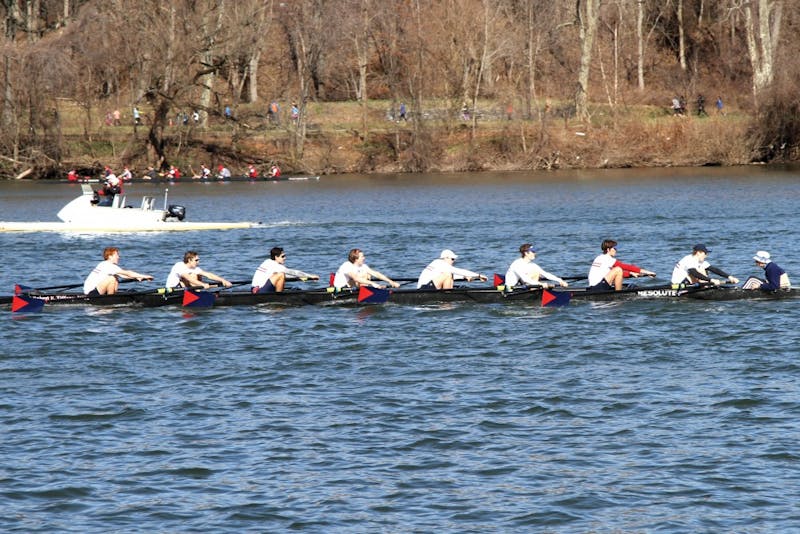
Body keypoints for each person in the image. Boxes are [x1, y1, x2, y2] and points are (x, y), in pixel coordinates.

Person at [588, 239, 656, 291]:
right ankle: (618, 294)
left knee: (618, 270)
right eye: (614, 248)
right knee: (618, 269)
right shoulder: (607, 258)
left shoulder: (599, 257)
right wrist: (647, 272)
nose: (616, 250)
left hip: (594, 287)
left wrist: (630, 273)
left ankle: (617, 292)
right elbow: (625, 267)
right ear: (608, 249)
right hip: (598, 288)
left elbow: (612, 272)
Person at [83, 247, 153, 295]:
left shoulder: (106, 265)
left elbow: (123, 276)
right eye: (116, 255)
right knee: (112, 278)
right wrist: (144, 275)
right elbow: (128, 273)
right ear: (110, 256)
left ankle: (111, 297)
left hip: (96, 290)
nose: (118, 257)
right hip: (91, 293)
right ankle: (110, 300)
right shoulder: (107, 265)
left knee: (115, 277)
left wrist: (137, 277)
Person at [251, 247, 319, 293]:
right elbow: (294, 272)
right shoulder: (275, 266)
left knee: (279, 275)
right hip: (259, 291)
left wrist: (302, 278)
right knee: (281, 275)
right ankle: (279, 296)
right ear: (276, 257)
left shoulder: (267, 261)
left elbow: (289, 276)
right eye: (282, 256)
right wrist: (310, 276)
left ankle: (278, 293)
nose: (285, 258)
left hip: (255, 289)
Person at [671, 244, 738, 286]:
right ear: (698, 253)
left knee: (704, 269)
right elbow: (695, 273)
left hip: (688, 282)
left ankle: (706, 286)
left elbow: (714, 269)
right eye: (705, 253)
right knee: (700, 270)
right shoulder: (689, 259)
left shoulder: (700, 261)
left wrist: (730, 277)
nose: (706, 256)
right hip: (678, 284)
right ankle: (706, 287)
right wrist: (711, 280)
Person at [417, 249, 487, 289]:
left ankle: (447, 294)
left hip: (424, 288)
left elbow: (454, 275)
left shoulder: (436, 263)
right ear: (446, 258)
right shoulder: (441, 263)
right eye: (452, 259)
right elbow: (459, 271)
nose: (453, 261)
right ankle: (448, 296)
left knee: (449, 274)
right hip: (424, 289)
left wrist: (465, 276)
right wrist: (478, 275)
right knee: (448, 274)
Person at [333, 248, 400, 290]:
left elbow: (376, 274)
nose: (364, 258)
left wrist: (390, 281)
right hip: (341, 289)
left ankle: (369, 289)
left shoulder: (363, 266)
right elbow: (356, 278)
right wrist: (373, 283)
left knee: (367, 274)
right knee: (362, 277)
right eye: (362, 256)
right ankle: (369, 290)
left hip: (351, 287)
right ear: (356, 259)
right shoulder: (346, 265)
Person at [166, 251, 233, 289]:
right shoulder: (179, 265)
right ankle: (198, 292)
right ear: (189, 260)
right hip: (173, 289)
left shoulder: (195, 268)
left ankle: (198, 292)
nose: (198, 262)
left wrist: (223, 280)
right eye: (196, 260)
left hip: (186, 289)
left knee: (198, 275)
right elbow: (189, 278)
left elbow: (209, 275)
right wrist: (203, 284)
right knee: (193, 276)